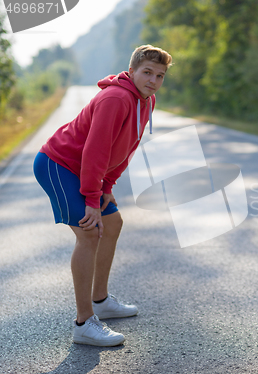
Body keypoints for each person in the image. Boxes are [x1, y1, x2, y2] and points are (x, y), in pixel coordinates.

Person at [33, 45, 172, 347]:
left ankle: (101, 300)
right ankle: (84, 323)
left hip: (82, 168)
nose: (153, 80)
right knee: (90, 231)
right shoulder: (116, 98)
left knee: (113, 223)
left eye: (159, 75)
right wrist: (92, 200)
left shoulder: (146, 101)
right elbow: (96, 150)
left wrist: (107, 187)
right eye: (147, 72)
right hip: (59, 164)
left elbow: (125, 147)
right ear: (132, 70)